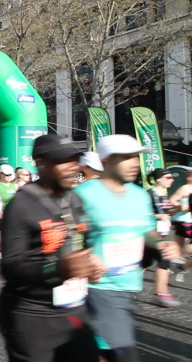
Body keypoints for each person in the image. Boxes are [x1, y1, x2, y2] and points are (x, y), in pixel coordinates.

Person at [75, 135, 180, 362]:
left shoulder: (139, 195)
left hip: (127, 287)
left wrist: (161, 243)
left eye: (137, 157)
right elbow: (65, 238)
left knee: (99, 352)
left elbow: (146, 230)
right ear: (108, 161)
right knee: (123, 355)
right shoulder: (82, 195)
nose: (135, 162)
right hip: (99, 288)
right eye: (127, 157)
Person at [0, 134, 102, 362]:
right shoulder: (22, 204)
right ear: (40, 163)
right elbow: (10, 268)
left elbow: (79, 246)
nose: (72, 167)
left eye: (75, 160)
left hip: (74, 311)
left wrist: (90, 264)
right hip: (32, 315)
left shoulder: (75, 199)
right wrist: (59, 270)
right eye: (62, 161)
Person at [146, 168, 182, 307]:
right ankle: (161, 293)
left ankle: (161, 293)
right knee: (160, 260)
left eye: (172, 178)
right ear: (159, 179)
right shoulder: (148, 194)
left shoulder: (164, 194)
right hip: (151, 233)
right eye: (168, 177)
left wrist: (179, 209)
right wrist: (157, 216)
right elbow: (140, 214)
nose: (172, 180)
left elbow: (167, 214)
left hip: (163, 233)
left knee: (160, 260)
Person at [169, 170, 192, 252]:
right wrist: (181, 205)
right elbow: (172, 200)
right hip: (184, 219)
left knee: (183, 244)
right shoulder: (184, 188)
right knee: (179, 244)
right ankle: (174, 258)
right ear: (188, 177)